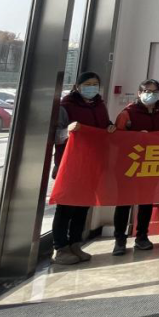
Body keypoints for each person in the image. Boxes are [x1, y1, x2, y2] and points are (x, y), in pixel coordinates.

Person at [50, 72, 113, 265]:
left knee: (83, 206)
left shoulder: (100, 106)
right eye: (87, 84)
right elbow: (55, 135)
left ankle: (75, 243)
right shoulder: (66, 106)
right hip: (70, 164)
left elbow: (104, 127)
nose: (91, 87)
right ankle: (60, 248)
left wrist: (111, 128)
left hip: (92, 164)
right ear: (77, 86)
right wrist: (68, 131)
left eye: (95, 84)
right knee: (65, 207)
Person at [110, 78, 159, 255]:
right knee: (124, 202)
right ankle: (119, 239)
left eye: (155, 91)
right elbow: (117, 139)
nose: (151, 94)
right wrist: (136, 136)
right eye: (147, 91)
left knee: (146, 201)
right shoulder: (127, 113)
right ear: (139, 93)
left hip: (151, 163)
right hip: (129, 164)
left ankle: (142, 236)